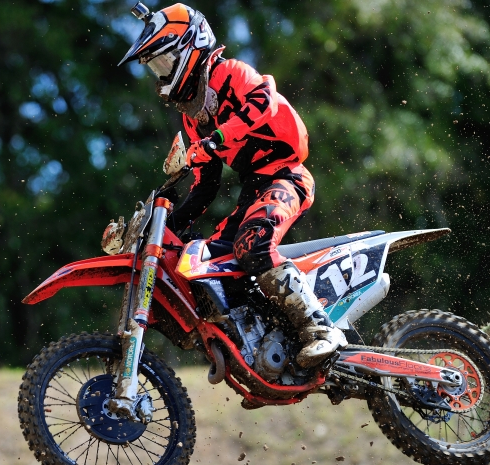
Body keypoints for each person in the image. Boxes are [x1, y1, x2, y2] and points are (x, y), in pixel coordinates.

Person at [118, 3, 347, 367]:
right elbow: (205, 187)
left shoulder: (230, 72)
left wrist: (217, 139)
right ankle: (257, 340)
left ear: (190, 47)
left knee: (253, 243)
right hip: (254, 188)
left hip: (287, 176)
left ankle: (319, 329)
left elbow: (263, 102)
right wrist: (166, 226)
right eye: (155, 67)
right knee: (205, 261)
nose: (161, 73)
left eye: (164, 62)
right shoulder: (194, 118)